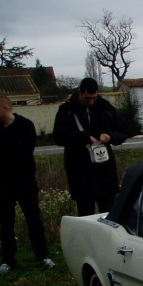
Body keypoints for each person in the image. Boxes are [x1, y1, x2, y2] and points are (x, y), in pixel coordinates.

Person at [0, 95, 54, 274]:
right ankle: (8, 259)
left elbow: (23, 151)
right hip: (3, 182)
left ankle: (43, 256)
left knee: (33, 219)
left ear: (5, 108)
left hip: (25, 180)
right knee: (6, 222)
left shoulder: (25, 125)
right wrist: (5, 148)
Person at [53, 78, 128, 216]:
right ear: (80, 93)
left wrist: (110, 136)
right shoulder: (67, 110)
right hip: (80, 173)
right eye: (88, 98)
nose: (91, 102)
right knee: (86, 216)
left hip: (105, 174)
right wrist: (84, 137)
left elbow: (123, 130)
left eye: (94, 98)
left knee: (109, 216)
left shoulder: (105, 107)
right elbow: (58, 136)